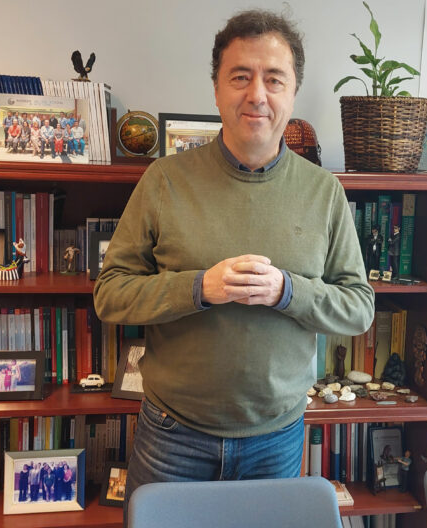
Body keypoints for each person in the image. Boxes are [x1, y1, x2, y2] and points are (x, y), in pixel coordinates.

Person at [92, 9, 374, 519]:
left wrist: (288, 291)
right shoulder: (163, 180)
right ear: (217, 90)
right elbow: (110, 295)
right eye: (240, 77)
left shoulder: (325, 192)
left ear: (293, 92)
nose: (257, 95)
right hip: (172, 436)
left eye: (274, 79)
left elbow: (358, 308)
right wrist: (200, 288)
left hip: (277, 437)